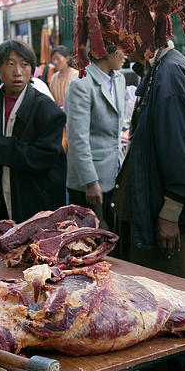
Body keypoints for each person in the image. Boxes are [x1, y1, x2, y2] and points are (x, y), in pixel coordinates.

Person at [115, 40, 185, 287]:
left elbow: (181, 149)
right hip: (156, 214)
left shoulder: (169, 72)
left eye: (126, 32)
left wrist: (170, 214)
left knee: (178, 304)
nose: (120, 42)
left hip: (170, 222)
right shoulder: (157, 69)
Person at [0, 40, 66, 221]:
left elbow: (42, 157)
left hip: (36, 200)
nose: (17, 72)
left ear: (31, 69)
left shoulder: (47, 109)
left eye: (24, 65)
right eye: (10, 64)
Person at [65, 41, 126, 230]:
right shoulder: (82, 84)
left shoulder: (119, 79)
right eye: (122, 49)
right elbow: (77, 138)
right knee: (91, 241)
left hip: (113, 173)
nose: (126, 54)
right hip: (89, 181)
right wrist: (90, 181)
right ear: (106, 52)